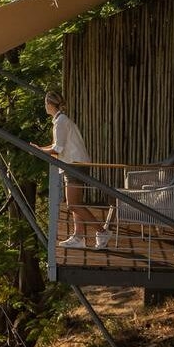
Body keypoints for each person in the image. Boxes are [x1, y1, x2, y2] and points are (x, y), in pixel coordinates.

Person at [38, 91, 107, 249]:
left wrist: (40, 151)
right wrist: (39, 148)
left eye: (45, 103)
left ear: (50, 104)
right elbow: (58, 146)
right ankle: (78, 236)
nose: (45, 106)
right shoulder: (60, 120)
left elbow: (57, 148)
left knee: (73, 204)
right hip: (74, 164)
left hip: (74, 165)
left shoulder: (61, 121)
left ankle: (102, 231)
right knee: (76, 203)